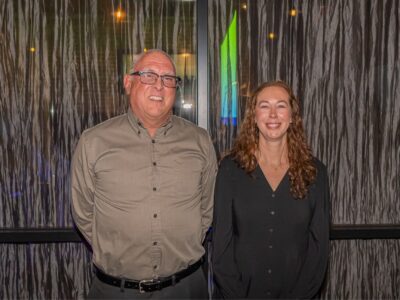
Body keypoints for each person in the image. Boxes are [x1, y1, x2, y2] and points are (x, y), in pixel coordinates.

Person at [71, 49, 217, 299]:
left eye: (168, 78)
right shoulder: (93, 141)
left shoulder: (200, 141)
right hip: (116, 291)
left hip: (186, 289)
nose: (159, 86)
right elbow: (83, 213)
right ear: (129, 83)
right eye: (149, 75)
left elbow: (206, 210)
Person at [212, 80, 330, 299]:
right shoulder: (230, 170)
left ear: (292, 116)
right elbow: (221, 249)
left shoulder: (315, 173)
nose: (273, 114)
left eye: (281, 106)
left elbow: (318, 250)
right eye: (264, 106)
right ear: (254, 116)